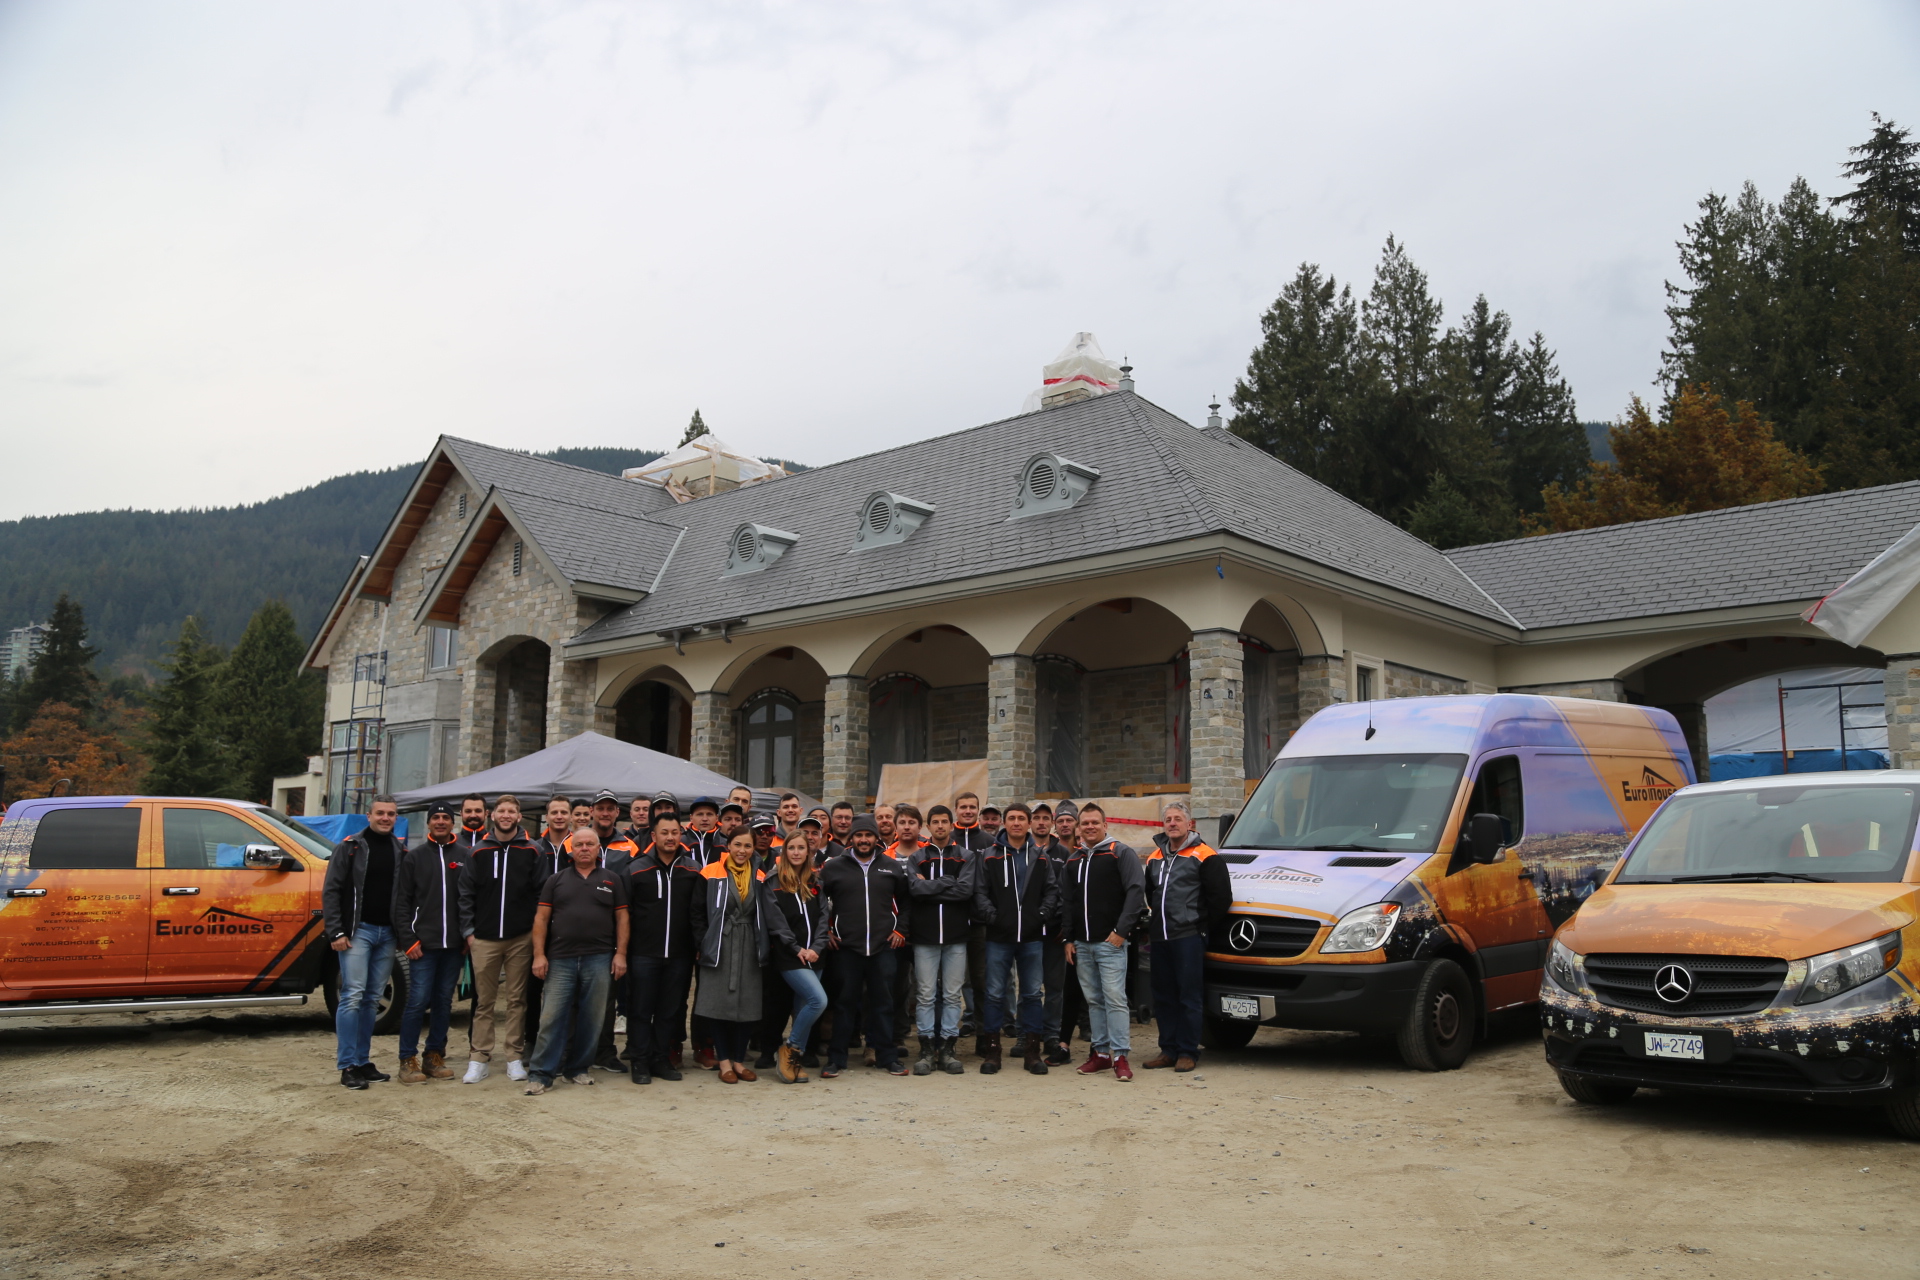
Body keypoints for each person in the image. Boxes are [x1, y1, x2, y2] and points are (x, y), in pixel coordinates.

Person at [524, 827, 629, 1095]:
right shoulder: (555, 880)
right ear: (571, 850)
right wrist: (538, 954)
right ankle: (541, 1073)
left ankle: (578, 1069)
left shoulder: (612, 880)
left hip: (600, 958)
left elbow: (623, 919)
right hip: (560, 959)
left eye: (589, 844)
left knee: (592, 1019)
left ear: (598, 850)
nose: (584, 848)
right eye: (579, 844)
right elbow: (541, 919)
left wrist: (620, 954)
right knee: (551, 1017)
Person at [1141, 800, 1233, 1072]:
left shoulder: (1206, 855)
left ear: (1189, 824)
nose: (1172, 823)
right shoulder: (1155, 857)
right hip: (1160, 937)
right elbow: (1150, 893)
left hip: (1189, 936)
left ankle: (1187, 1052)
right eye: (1168, 819)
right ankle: (1167, 1050)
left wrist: (1200, 926)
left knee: (1189, 996)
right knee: (1163, 996)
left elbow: (1220, 898)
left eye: (1177, 819)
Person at [458, 794, 545, 1084]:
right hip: (483, 938)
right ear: (492, 815)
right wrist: (469, 933)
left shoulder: (533, 850)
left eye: (512, 811)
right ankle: (479, 1057)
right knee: (484, 1001)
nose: (506, 815)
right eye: (501, 811)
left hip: (520, 938)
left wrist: (534, 934)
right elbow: (466, 894)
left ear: (519, 817)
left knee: (517, 1000)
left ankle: (513, 1057)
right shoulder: (478, 851)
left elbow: (540, 895)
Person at [818, 815, 911, 1077]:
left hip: (882, 946)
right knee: (844, 1004)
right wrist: (826, 930)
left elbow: (905, 902)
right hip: (847, 947)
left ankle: (887, 1056)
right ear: (851, 839)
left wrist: (900, 930)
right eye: (859, 835)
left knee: (883, 1003)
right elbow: (817, 901)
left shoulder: (890, 867)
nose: (863, 839)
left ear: (875, 838)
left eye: (868, 835)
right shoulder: (834, 867)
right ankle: (837, 1058)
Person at [321, 794, 404, 1090]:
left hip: (387, 935)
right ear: (368, 816)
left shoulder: (400, 850)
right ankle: (347, 1066)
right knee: (353, 996)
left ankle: (363, 1060)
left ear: (396, 818)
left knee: (372, 999)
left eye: (391, 814)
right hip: (358, 933)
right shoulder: (350, 848)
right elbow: (331, 891)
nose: (385, 818)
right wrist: (336, 932)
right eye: (380, 813)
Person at [1063, 803, 1145, 1081]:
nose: (1089, 827)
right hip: (1082, 944)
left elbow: (1135, 892)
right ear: (1078, 828)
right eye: (1084, 823)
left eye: (1094, 823)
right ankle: (1100, 1054)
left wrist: (1122, 931)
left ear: (1105, 824)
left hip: (1111, 943)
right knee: (1094, 1001)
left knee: (1115, 999)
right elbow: (1067, 901)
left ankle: (1120, 1056)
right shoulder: (1074, 860)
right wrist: (1068, 938)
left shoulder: (1120, 853)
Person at [975, 802, 1058, 1075]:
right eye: (1011, 818)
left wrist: (1042, 914)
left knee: (1033, 994)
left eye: (1022, 818)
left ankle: (1032, 1052)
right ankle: (992, 1052)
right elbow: (980, 891)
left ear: (1029, 823)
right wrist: (992, 916)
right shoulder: (989, 855)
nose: (1016, 823)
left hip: (1032, 936)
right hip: (998, 936)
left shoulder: (1041, 856)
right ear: (1004, 823)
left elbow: (1052, 890)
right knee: (994, 994)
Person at [618, 813, 701, 1084]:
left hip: (679, 954)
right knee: (641, 1009)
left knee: (670, 1011)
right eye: (664, 832)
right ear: (654, 836)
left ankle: (661, 1059)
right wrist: (622, 950)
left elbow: (698, 913)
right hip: (643, 953)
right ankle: (640, 1062)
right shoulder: (635, 869)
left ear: (681, 835)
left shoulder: (692, 869)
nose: (670, 837)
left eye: (675, 832)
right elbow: (623, 913)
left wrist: (697, 946)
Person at [393, 803, 467, 1084]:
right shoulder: (414, 858)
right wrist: (408, 940)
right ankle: (407, 1058)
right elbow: (402, 902)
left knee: (443, 1002)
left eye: (445, 817)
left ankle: (433, 1055)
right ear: (428, 823)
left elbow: (468, 899)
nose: (440, 822)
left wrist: (466, 935)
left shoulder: (464, 856)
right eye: (435, 817)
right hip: (423, 946)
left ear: (452, 823)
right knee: (417, 1001)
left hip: (453, 947)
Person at [903, 804, 977, 1075]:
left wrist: (932, 886)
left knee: (952, 994)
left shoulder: (966, 856)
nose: (940, 826)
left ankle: (947, 1046)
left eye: (945, 821)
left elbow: (965, 891)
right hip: (925, 936)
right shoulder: (918, 857)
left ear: (952, 824)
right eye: (935, 822)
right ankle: (925, 1046)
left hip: (956, 936)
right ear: (928, 825)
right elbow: (914, 889)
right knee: (925, 994)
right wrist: (948, 882)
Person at [691, 829, 768, 1083]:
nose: (742, 851)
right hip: (719, 943)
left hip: (749, 943)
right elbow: (697, 912)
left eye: (748, 846)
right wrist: (703, 941)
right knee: (717, 1003)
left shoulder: (760, 876)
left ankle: (738, 1060)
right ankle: (724, 1060)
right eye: (737, 845)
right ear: (728, 845)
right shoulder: (710, 872)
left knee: (747, 1003)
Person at [760, 835, 829, 1082]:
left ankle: (794, 1059)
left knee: (803, 1008)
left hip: (815, 955)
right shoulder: (773, 882)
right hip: (790, 956)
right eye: (792, 848)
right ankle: (789, 1048)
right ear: (785, 851)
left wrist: (817, 947)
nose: (797, 852)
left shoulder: (815, 881)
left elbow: (824, 917)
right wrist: (796, 948)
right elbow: (776, 921)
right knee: (818, 1001)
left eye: (802, 848)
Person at [526, 795, 577, 1052]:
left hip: (569, 929)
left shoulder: (578, 847)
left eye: (563, 812)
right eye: (554, 812)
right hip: (540, 927)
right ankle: (531, 1042)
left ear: (570, 816)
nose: (558, 816)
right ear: (547, 816)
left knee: (568, 992)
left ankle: (567, 1047)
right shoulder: (535, 847)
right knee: (533, 990)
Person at [950, 791, 994, 1051]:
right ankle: (947, 1037)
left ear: (978, 810)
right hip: (952, 920)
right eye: (963, 807)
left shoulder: (989, 841)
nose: (967, 811)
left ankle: (983, 1035)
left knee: (980, 980)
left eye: (972, 807)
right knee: (951, 982)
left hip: (979, 922)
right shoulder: (947, 840)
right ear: (955, 810)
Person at [1039, 800, 1080, 1065]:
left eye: (1070, 820)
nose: (1064, 824)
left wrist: (1066, 929)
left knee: (1059, 986)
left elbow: (1069, 896)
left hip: (1059, 931)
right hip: (1030, 930)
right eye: (1060, 820)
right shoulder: (1031, 852)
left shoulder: (1066, 855)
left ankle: (1053, 1035)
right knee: (1030, 988)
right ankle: (1028, 1034)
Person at [684, 797, 722, 864]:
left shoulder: (725, 844)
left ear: (717, 818)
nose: (705, 819)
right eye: (700, 814)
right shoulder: (681, 843)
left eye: (709, 814)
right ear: (691, 818)